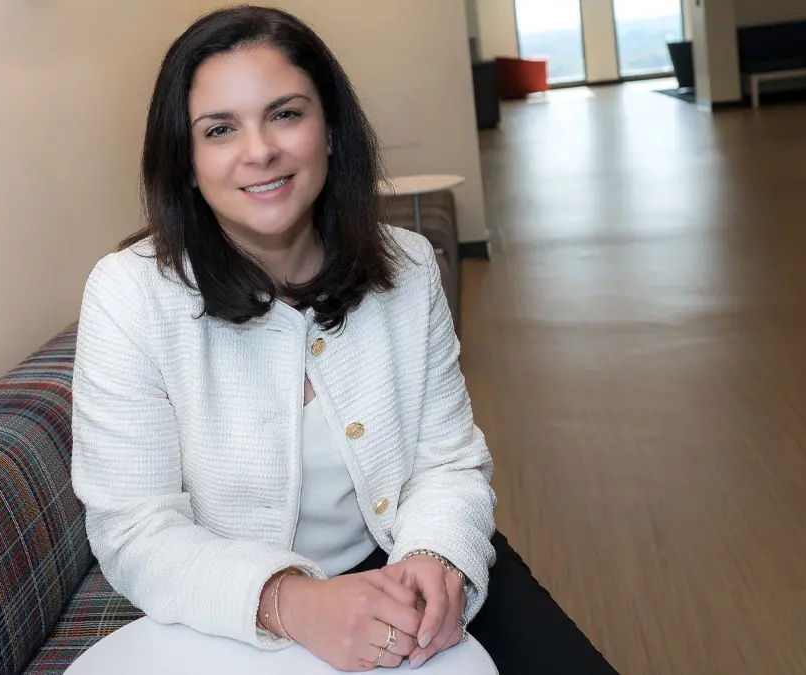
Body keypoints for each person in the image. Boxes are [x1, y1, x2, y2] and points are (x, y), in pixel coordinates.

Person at [70, 5, 618, 674]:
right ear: (187, 162)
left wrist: (434, 558)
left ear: (329, 130)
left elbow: (447, 463)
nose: (259, 150)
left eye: (286, 113)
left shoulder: (411, 266)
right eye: (220, 129)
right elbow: (133, 527)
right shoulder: (127, 294)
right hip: (229, 604)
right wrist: (291, 600)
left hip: (404, 561)